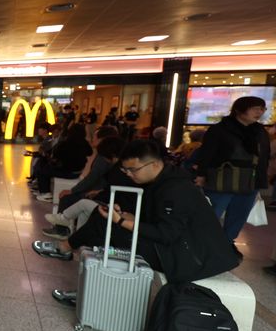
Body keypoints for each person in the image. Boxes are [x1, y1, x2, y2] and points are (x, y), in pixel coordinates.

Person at [35, 140, 239, 304]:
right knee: (102, 217)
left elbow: (166, 235)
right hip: (178, 246)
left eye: (134, 169)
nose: (130, 175)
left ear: (155, 164)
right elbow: (158, 221)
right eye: (126, 170)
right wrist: (127, 217)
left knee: (107, 231)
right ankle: (86, 285)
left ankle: (87, 287)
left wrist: (122, 221)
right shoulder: (162, 181)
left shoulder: (175, 190)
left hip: (189, 258)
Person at [194, 96, 270, 260]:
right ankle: (203, 244)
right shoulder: (220, 129)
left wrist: (261, 180)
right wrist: (201, 174)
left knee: (239, 215)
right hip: (222, 179)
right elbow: (207, 153)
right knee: (212, 214)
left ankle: (227, 243)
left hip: (250, 181)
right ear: (239, 110)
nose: (260, 112)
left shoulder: (259, 131)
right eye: (255, 108)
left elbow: (264, 157)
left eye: (262, 108)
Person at [34, 124, 93, 201]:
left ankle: (45, 193)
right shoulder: (84, 143)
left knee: (43, 170)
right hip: (78, 172)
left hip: (67, 172)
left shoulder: (67, 142)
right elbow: (90, 153)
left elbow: (56, 154)